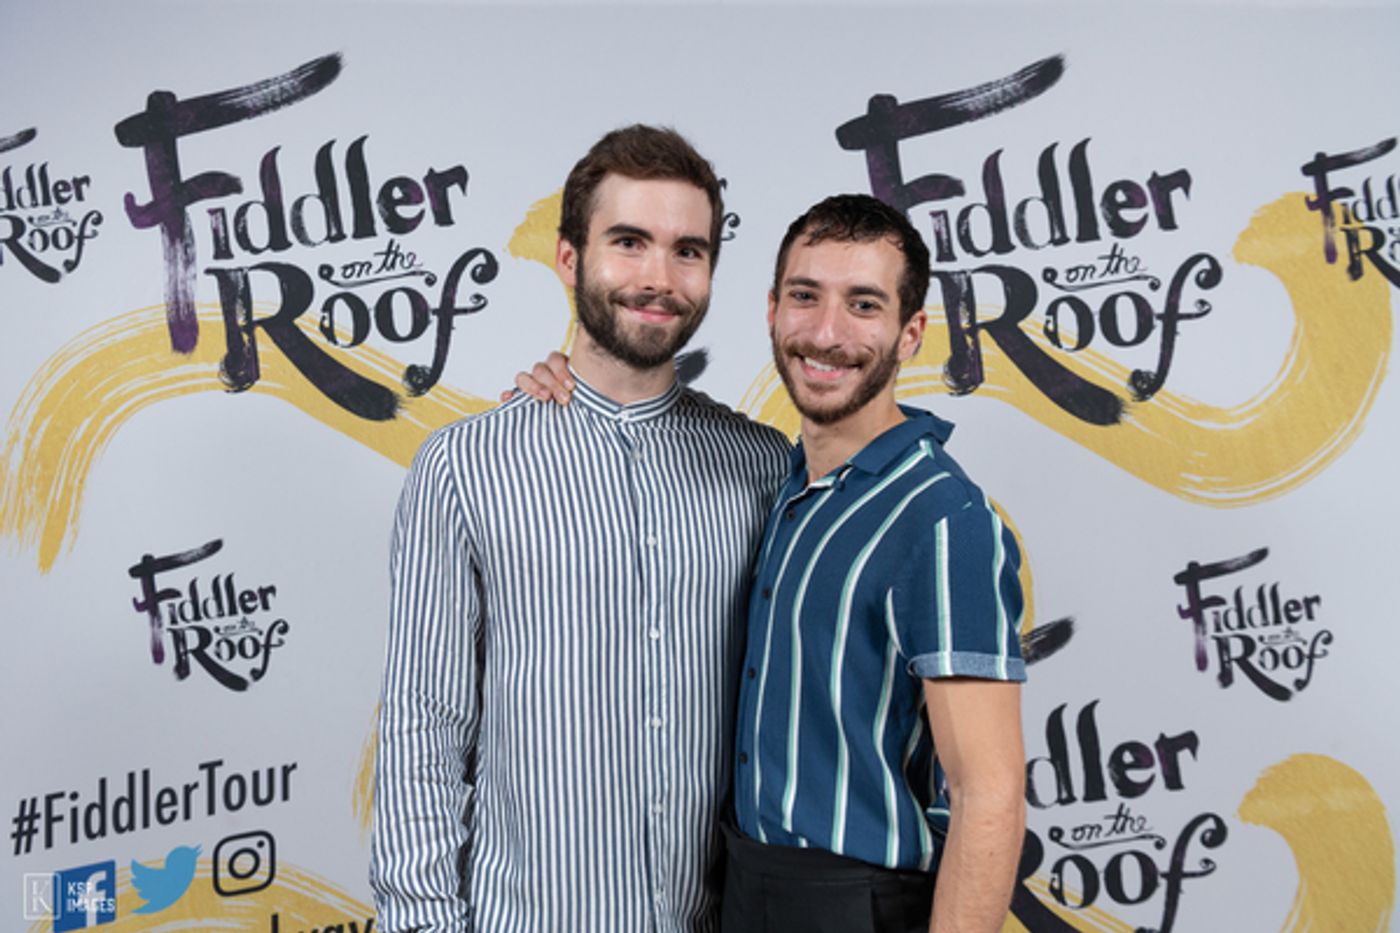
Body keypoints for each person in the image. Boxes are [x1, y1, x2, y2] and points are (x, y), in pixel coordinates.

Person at [519, 194, 1027, 932]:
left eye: (863, 304)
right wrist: (558, 393)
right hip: (739, 884)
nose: (826, 332)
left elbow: (990, 796)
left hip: (857, 901)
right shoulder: (777, 480)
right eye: (805, 296)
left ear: (911, 332)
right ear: (770, 309)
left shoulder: (943, 519)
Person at [370, 124, 790, 932]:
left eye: (688, 250)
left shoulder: (763, 469)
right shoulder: (467, 466)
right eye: (629, 242)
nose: (659, 277)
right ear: (568, 258)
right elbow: (425, 726)